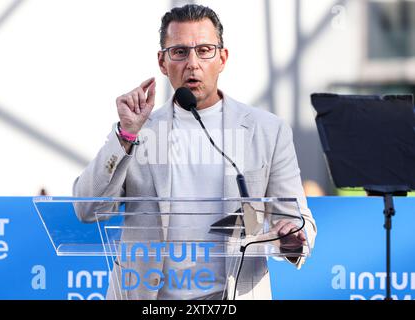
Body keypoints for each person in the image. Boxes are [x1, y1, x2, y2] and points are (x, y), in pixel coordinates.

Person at [73, 4, 316, 300]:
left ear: (222, 58)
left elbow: (297, 218)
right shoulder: (138, 129)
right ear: (162, 63)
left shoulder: (268, 130)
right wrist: (125, 136)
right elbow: (87, 208)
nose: (192, 63)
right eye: (179, 52)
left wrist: (291, 238)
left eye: (204, 50)